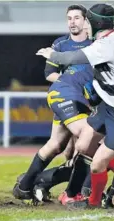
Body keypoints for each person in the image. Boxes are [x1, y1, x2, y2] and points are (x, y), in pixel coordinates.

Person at [13, 5, 99, 203]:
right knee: (89, 139)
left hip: (73, 97)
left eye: (77, 18)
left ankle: (26, 185)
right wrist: (71, 81)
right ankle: (79, 193)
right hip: (69, 95)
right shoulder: (64, 44)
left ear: (86, 21)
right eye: (70, 18)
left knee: (58, 146)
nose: (72, 22)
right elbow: (49, 74)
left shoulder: (95, 44)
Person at [36, 3, 114, 209]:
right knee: (82, 146)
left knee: (98, 164)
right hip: (106, 105)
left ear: (95, 24)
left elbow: (68, 58)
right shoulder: (102, 41)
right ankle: (67, 189)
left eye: (86, 20)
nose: (82, 23)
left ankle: (94, 202)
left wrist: (51, 54)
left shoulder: (105, 45)